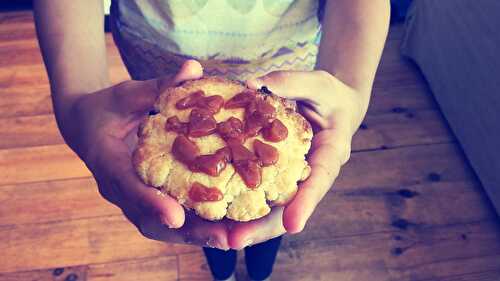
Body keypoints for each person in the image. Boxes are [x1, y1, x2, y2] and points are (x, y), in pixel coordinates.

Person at [33, 1, 390, 280]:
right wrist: (78, 96)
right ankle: (221, 273)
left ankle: (261, 272)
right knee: (197, 220)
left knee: (275, 210)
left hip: (290, 70)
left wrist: (351, 88)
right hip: (154, 57)